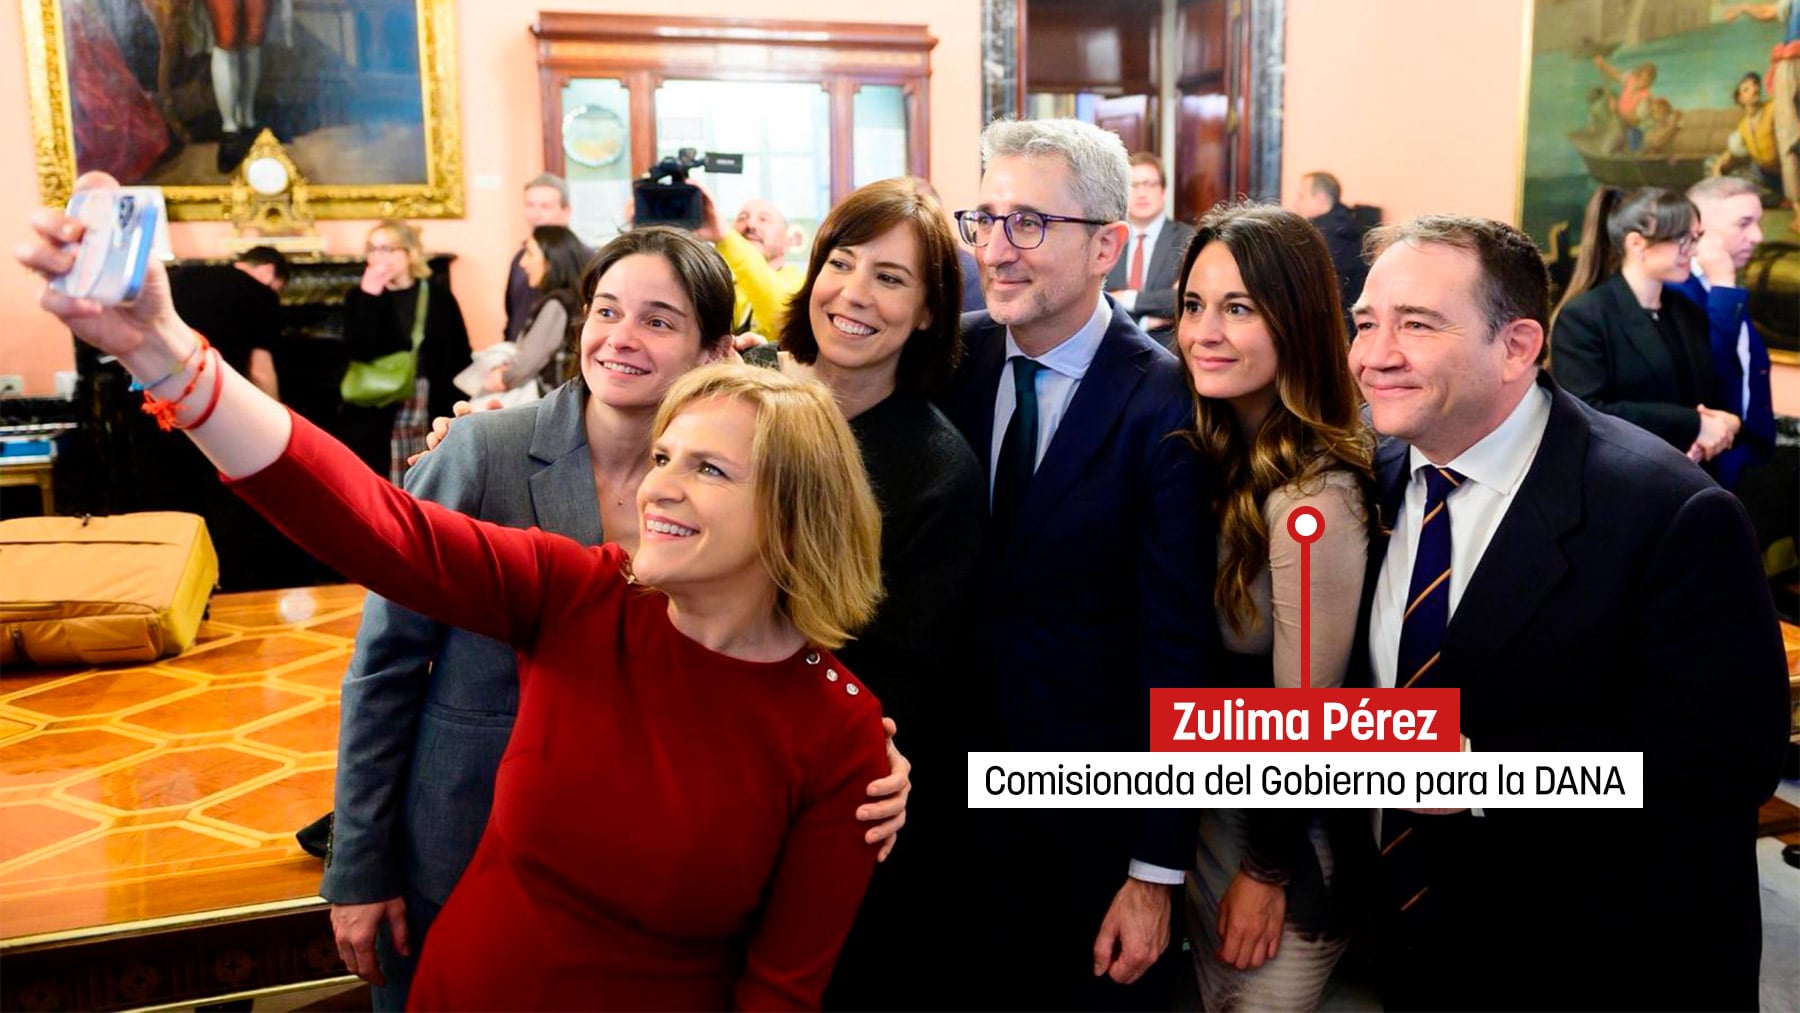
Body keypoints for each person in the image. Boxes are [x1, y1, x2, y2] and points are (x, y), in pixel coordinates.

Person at [22, 173, 899, 1010]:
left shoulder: (841, 733)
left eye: (707, 467)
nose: (661, 489)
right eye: (664, 457)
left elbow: (781, 989)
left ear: (792, 511)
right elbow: (369, 524)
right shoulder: (583, 593)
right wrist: (162, 350)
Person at [1347, 213, 1789, 1011]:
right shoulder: (1367, 482)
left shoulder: (1667, 511)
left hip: (1591, 958)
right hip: (1406, 948)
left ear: (1517, 345)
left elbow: (1727, 765)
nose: (1375, 356)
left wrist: (1490, 772)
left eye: (1416, 325)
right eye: (1367, 323)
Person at [940, 118, 1216, 1010]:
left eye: (1029, 223)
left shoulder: (1169, 401)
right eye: (983, 219)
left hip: (1085, 821)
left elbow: (1179, 654)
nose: (996, 249)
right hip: (942, 800)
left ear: (1107, 243)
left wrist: (1154, 867)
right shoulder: (951, 358)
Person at [747, 177, 986, 1008]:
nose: (853, 293)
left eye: (890, 277)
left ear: (927, 311)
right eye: (840, 263)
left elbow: (896, 677)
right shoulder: (739, 394)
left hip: (819, 796)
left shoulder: (935, 467)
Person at [1172, 203, 1373, 1011]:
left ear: (1296, 320)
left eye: (1239, 308)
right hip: (1210, 807)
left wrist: (1267, 871)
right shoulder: (1215, 441)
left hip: (1287, 830)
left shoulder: (1313, 498)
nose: (1203, 332)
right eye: (1194, 305)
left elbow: (1307, 723)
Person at [1549, 186, 1738, 467]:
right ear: (1636, 244)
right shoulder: (1584, 316)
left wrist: (1726, 422)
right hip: (1616, 477)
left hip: (1688, 476)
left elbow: (1709, 390)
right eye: (1681, 239)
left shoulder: (1687, 312)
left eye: (1695, 238)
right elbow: (1586, 411)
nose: (1694, 251)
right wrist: (1693, 424)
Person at [338, 219, 471, 484]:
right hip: (379, 404)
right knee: (379, 475)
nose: (378, 257)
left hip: (428, 397)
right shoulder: (359, 296)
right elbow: (359, 351)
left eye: (387, 249)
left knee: (424, 471)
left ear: (409, 253)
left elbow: (458, 352)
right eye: (372, 249)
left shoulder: (437, 295)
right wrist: (369, 297)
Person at [1669, 175, 1776, 491]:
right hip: (1703, 469)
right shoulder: (1675, 291)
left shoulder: (1722, 284)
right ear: (1700, 230)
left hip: (1746, 458)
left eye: (1758, 222)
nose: (1757, 236)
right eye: (1744, 223)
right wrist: (1724, 285)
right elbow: (1706, 369)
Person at [485, 224, 587, 395]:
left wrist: (503, 378)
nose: (523, 263)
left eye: (530, 254)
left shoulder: (557, 304)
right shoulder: (573, 299)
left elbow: (530, 360)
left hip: (550, 402)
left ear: (552, 259)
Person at [1104, 152, 1196, 337]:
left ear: (1163, 192)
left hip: (1168, 351)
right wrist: (1145, 322)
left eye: (1150, 184)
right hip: (1112, 345)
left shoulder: (1188, 240)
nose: (1142, 193)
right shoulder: (1107, 239)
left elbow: (1182, 299)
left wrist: (1126, 298)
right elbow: (1097, 302)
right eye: (1134, 186)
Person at [701, 195, 806, 339]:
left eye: (764, 219)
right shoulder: (720, 287)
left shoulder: (802, 283)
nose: (750, 225)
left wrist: (725, 238)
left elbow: (782, 318)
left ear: (789, 241)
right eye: (742, 218)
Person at [504, 175, 585, 341]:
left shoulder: (583, 258)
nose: (536, 214)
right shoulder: (520, 259)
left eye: (545, 206)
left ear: (566, 211)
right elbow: (512, 315)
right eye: (530, 205)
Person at [1287, 171, 1368, 333]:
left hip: (1332, 330)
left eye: (1302, 196)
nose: (1296, 203)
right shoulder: (1350, 226)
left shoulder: (1323, 237)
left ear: (1321, 198)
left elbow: (1320, 295)